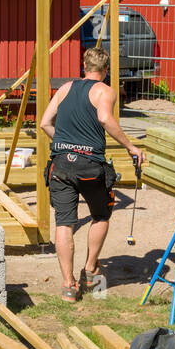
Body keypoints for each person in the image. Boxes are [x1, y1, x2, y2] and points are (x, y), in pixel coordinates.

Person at [39, 46, 146, 301]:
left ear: (83, 67)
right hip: (90, 167)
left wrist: (64, 144)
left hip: (61, 165)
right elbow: (105, 118)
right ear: (105, 70)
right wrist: (131, 146)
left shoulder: (65, 88)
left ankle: (68, 286)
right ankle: (89, 269)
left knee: (64, 223)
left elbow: (44, 123)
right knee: (100, 215)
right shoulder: (104, 91)